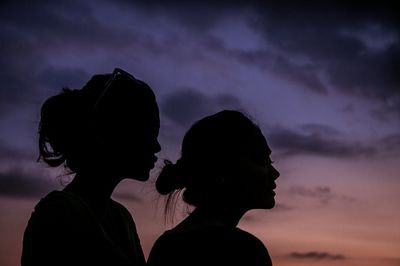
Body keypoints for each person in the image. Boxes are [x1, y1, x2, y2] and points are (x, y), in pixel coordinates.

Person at [21, 68, 161, 266]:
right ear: (110, 132)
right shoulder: (58, 215)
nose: (157, 146)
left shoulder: (121, 218)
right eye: (149, 133)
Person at [147, 110, 280, 266]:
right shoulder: (242, 250)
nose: (275, 173)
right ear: (224, 169)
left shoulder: (164, 245)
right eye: (262, 160)